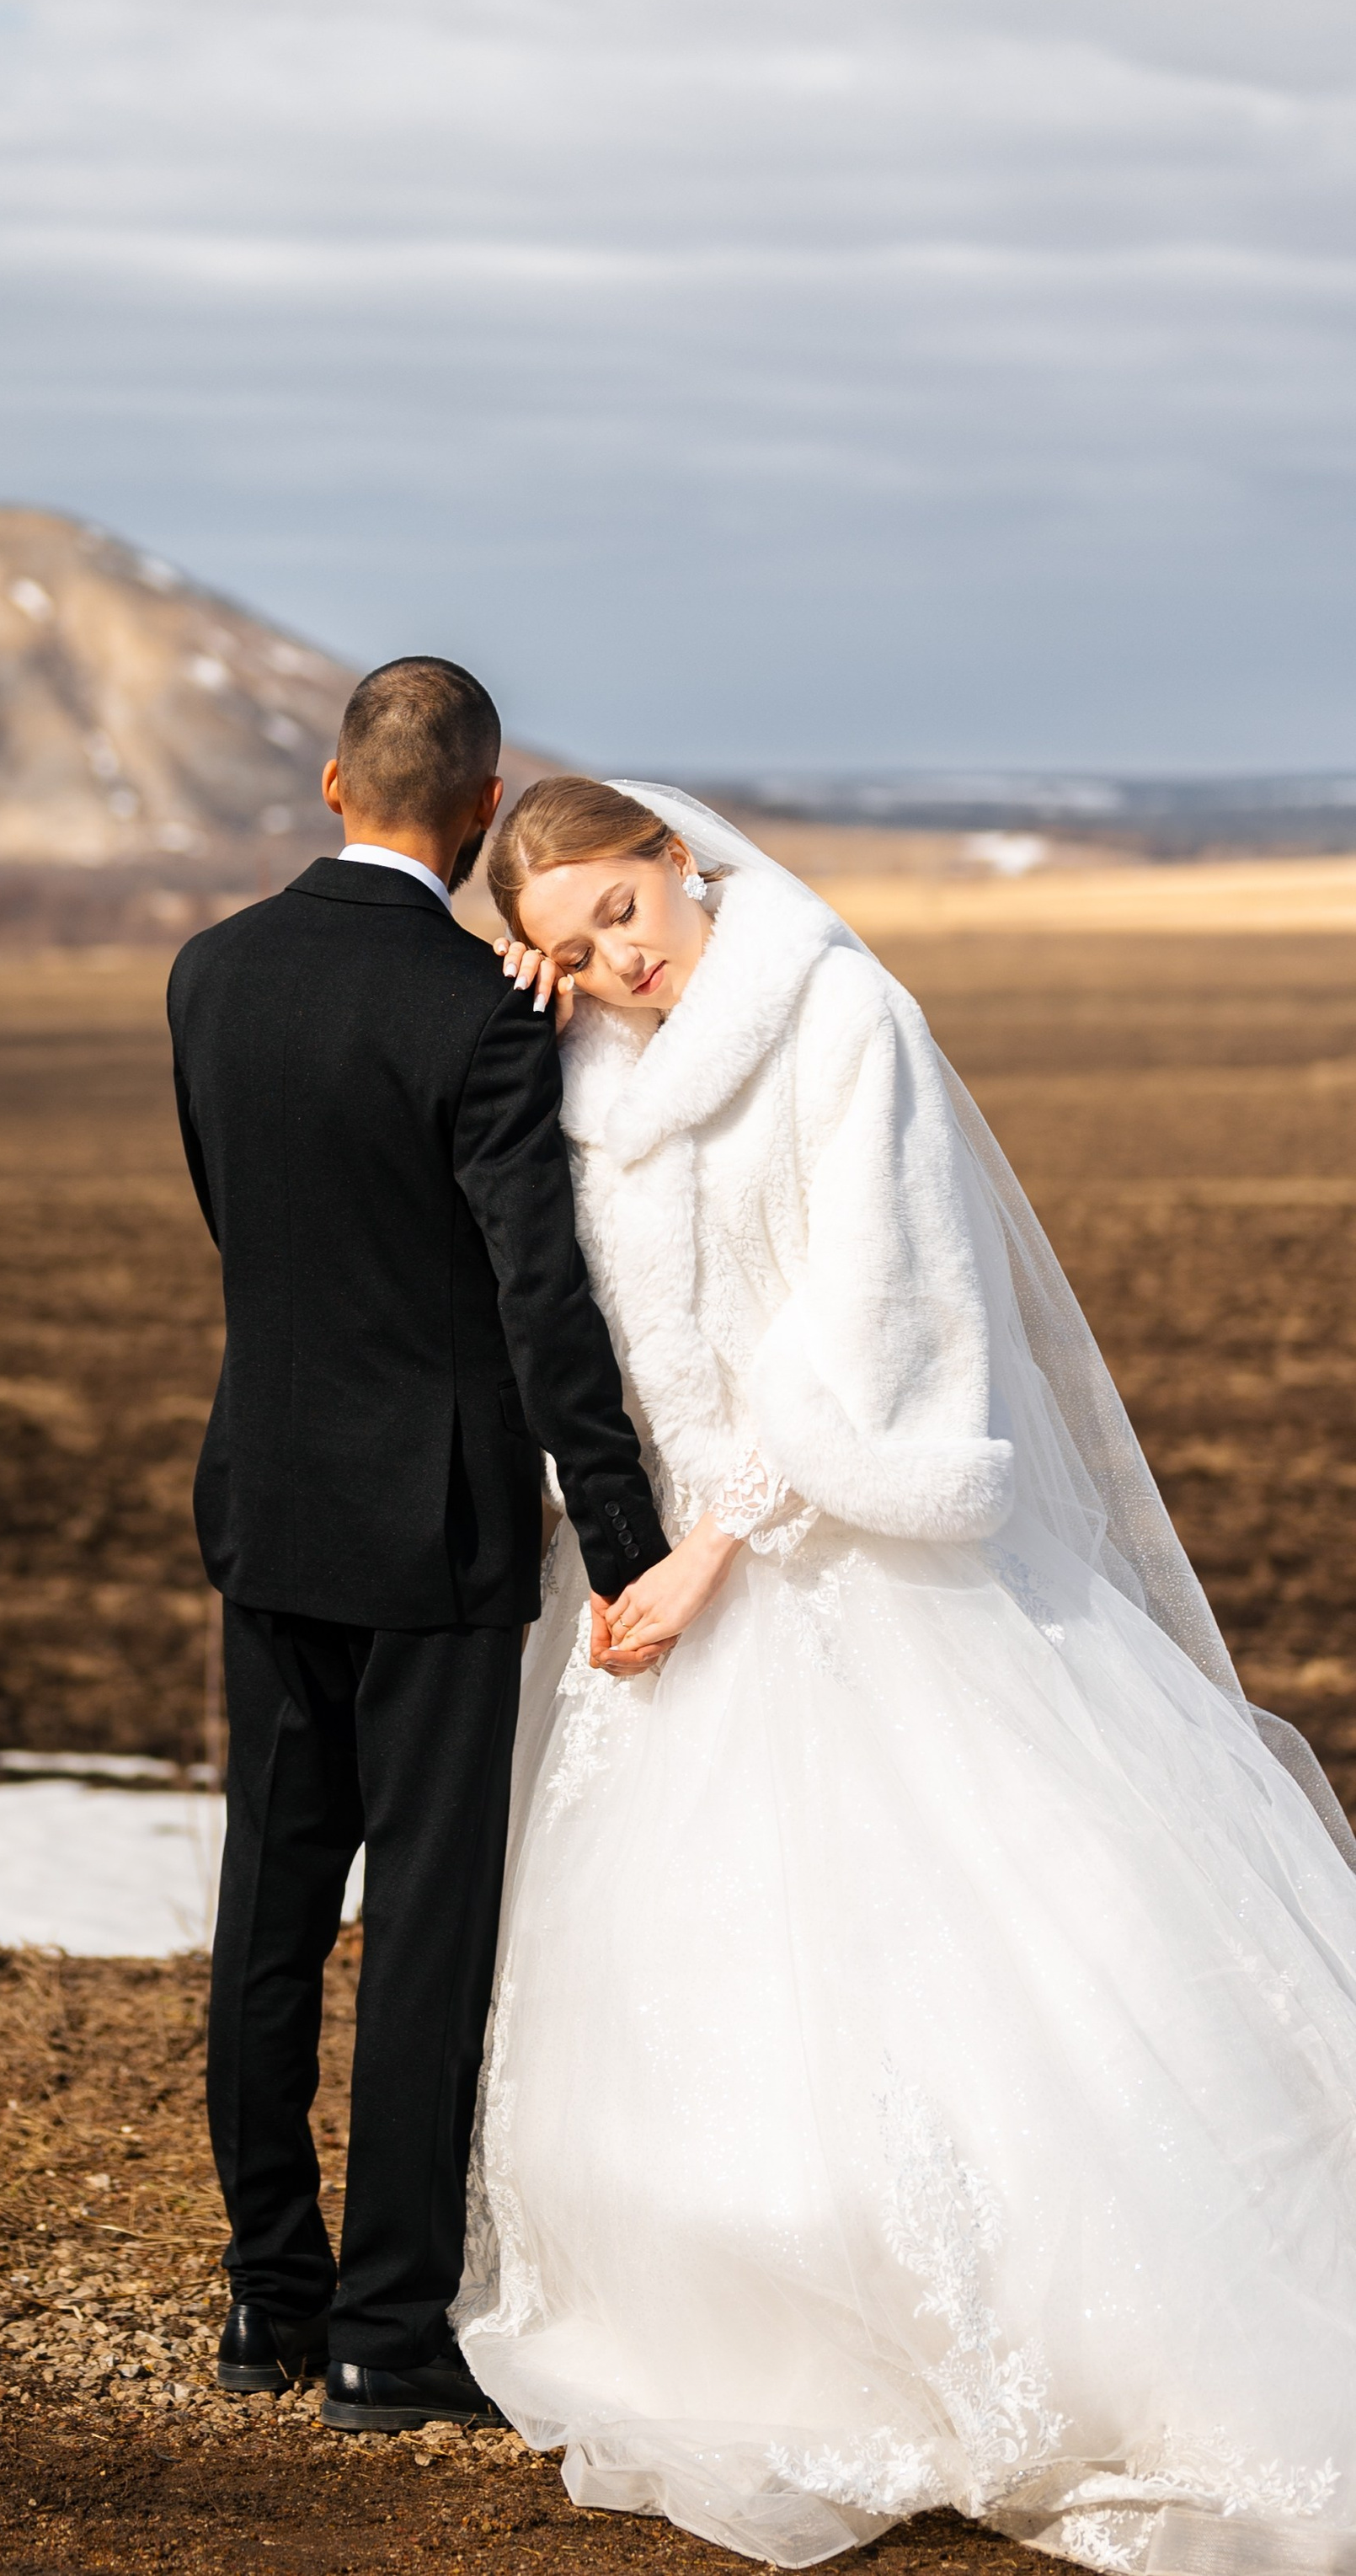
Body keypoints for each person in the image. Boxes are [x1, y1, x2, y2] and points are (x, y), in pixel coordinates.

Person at [456, 773, 1356, 2569]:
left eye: (621, 910)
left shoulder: (839, 1015)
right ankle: (779, 2323)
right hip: (675, 1578)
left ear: (677, 859)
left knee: (988, 1944)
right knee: (714, 1976)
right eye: (570, 949)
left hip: (853, 1558)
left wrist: (715, 1542)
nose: (616, 962)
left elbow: (875, 1317)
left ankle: (1079, 2343)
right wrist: (639, 1539)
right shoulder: (593, 1074)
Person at [166, 661, 671, 2434]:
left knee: (267, 1909)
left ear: (331, 785)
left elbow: (242, 1225)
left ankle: (265, 2296)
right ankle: (389, 2328)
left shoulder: (206, 973)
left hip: (268, 1496)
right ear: (482, 812)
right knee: (426, 1927)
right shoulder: (481, 1013)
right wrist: (629, 1542)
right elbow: (543, 1304)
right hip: (437, 1522)